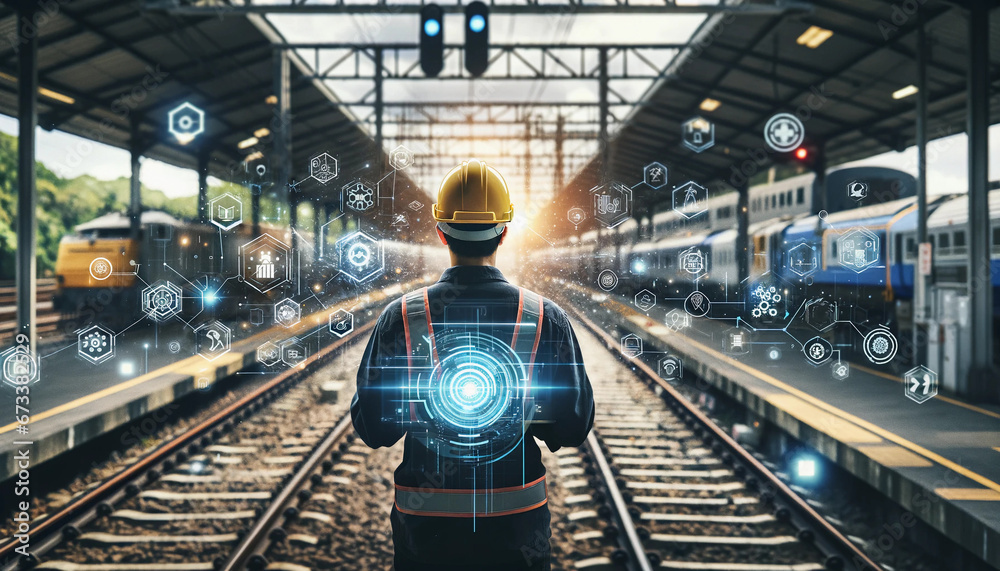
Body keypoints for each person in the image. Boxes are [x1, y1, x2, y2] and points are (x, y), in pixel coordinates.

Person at [352, 159, 595, 571]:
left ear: (439, 231)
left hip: (426, 528)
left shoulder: (404, 317)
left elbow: (374, 428)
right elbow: (572, 427)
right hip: (517, 528)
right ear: (504, 231)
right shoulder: (544, 316)